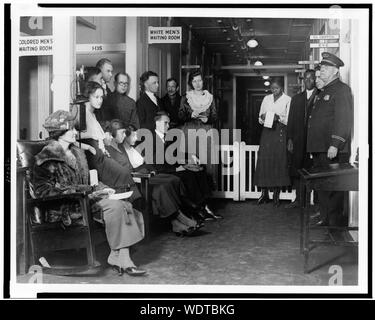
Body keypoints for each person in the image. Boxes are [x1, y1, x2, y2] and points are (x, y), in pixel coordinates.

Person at [32, 110, 146, 276]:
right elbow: (43, 192)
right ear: (59, 133)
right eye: (70, 129)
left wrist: (102, 189)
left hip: (84, 200)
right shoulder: (45, 158)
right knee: (116, 207)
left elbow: (87, 182)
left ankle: (119, 256)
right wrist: (86, 191)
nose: (75, 132)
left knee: (125, 205)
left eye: (74, 128)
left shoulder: (77, 153)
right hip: (65, 208)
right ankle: (122, 259)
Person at [105, 120, 203, 236]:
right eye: (122, 133)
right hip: (130, 184)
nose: (124, 135)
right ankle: (180, 220)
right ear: (112, 134)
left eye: (124, 133)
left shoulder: (120, 147)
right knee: (160, 189)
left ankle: (177, 222)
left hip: (136, 179)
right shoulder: (109, 150)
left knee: (165, 186)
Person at [145, 111, 222, 220]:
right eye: (165, 123)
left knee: (200, 170)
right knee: (188, 175)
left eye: (169, 123)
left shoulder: (170, 137)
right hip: (162, 171)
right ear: (157, 123)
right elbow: (155, 164)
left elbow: (177, 153)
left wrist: (192, 156)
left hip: (173, 167)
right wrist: (179, 167)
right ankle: (197, 210)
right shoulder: (150, 139)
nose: (168, 126)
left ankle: (204, 207)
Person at [306, 52, 353, 226]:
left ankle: (333, 223)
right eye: (321, 67)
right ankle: (325, 218)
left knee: (333, 188)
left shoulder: (341, 90)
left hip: (331, 148)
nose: (322, 71)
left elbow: (343, 119)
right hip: (320, 148)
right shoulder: (324, 91)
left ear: (335, 71)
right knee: (323, 187)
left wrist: (335, 144)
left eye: (325, 68)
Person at [78, 81, 141, 203]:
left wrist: (102, 146)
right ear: (87, 97)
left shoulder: (92, 114)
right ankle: (133, 205)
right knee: (124, 174)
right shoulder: (83, 114)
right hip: (94, 160)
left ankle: (133, 205)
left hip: (101, 155)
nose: (100, 100)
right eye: (96, 97)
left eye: (101, 97)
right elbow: (77, 140)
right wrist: (92, 147)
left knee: (125, 172)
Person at [254, 79, 291, 207]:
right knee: (264, 161)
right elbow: (259, 117)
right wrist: (262, 117)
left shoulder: (287, 100)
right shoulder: (266, 99)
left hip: (279, 131)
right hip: (267, 132)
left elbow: (289, 119)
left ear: (281, 88)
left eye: (276, 88)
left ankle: (276, 195)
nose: (274, 91)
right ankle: (264, 194)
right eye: (272, 88)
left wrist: (279, 117)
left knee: (278, 161)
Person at [178, 70, 218, 187]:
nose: (197, 83)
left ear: (203, 81)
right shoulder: (186, 98)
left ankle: (206, 199)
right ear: (191, 83)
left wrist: (208, 119)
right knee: (191, 161)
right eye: (194, 81)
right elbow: (180, 116)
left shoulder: (210, 97)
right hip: (189, 131)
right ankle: (192, 199)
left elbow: (215, 116)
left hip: (206, 131)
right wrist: (190, 115)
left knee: (206, 162)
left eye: (199, 80)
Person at [286, 70, 319, 208]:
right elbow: (291, 120)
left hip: (314, 142)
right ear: (303, 80)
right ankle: (299, 200)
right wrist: (290, 139)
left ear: (315, 80)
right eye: (306, 79)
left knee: (315, 171)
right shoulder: (296, 98)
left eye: (311, 79)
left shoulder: (321, 96)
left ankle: (316, 203)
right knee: (298, 169)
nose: (308, 81)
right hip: (299, 142)